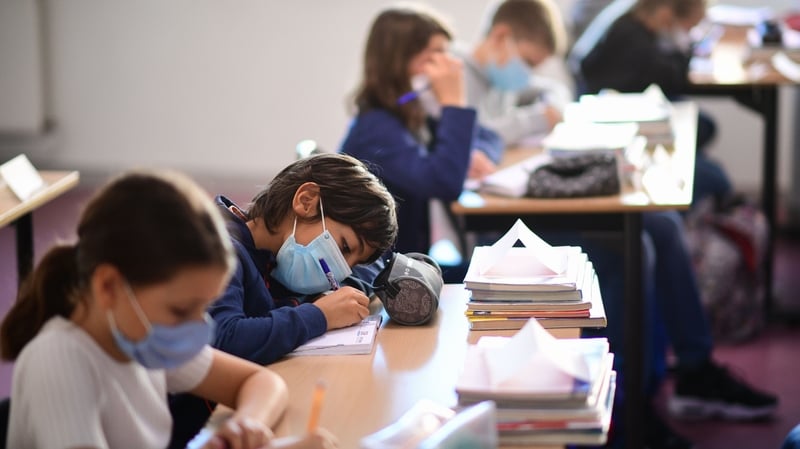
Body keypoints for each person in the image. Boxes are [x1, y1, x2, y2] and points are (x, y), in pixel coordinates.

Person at [0, 170, 338, 449]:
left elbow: (261, 382)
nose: (199, 326)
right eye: (181, 309)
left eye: (204, 308)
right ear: (108, 287)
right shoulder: (61, 359)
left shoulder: (140, 333)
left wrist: (244, 427)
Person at [168, 153, 398, 448]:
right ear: (306, 201)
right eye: (343, 247)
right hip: (194, 431)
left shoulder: (272, 259)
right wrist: (319, 315)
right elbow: (222, 340)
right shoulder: (218, 249)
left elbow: (374, 266)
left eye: (352, 263)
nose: (342, 270)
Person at [575, 0, 731, 205]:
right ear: (667, 15)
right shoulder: (631, 36)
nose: (687, 34)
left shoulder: (635, 24)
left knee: (704, 127)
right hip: (613, 123)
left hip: (635, 111)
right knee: (716, 178)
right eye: (688, 28)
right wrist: (684, 49)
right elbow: (670, 76)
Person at [453, 0, 571, 147]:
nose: (528, 73)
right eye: (528, 62)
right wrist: (536, 120)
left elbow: (556, 88)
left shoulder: (497, 78)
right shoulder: (453, 73)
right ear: (500, 36)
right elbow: (469, 137)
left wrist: (553, 107)